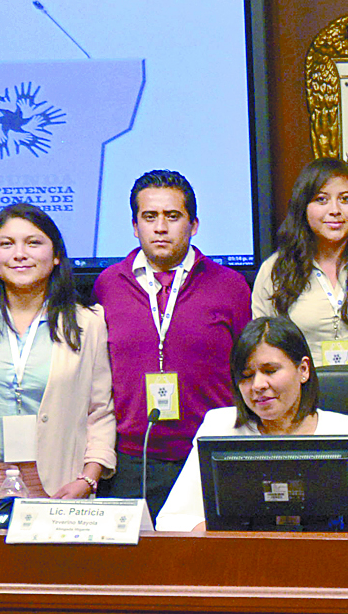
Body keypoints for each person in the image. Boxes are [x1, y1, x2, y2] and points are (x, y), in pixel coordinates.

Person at [0, 203, 115, 516]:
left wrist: (88, 478)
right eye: (6, 244)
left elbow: (99, 410)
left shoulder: (86, 322)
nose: (19, 254)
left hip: (57, 487)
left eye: (33, 243)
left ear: (56, 254)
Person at [94, 169, 252, 515]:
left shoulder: (230, 285)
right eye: (149, 217)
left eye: (172, 216)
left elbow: (247, 369)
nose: (160, 228)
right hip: (133, 458)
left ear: (193, 225)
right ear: (135, 226)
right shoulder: (109, 284)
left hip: (210, 450)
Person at [156, 316, 348, 531]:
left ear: (303, 370)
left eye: (270, 371)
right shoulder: (219, 427)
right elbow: (171, 521)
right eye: (246, 375)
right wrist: (230, 537)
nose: (258, 385)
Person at [251, 157, 348, 366]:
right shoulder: (275, 269)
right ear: (303, 206)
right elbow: (263, 348)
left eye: (346, 199)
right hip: (304, 394)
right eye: (321, 199)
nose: (335, 210)